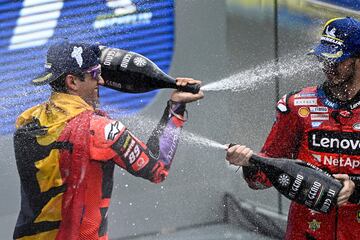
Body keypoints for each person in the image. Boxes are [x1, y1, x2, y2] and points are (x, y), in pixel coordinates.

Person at [13, 40, 204, 240]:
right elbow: (158, 169)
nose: (102, 81)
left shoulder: (27, 121)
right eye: (95, 74)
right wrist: (176, 107)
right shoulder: (102, 130)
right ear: (72, 82)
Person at [226, 17, 360, 240]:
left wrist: (355, 188)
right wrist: (249, 163)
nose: (327, 66)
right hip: (305, 233)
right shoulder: (297, 106)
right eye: (322, 58)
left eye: (337, 60)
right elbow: (261, 179)